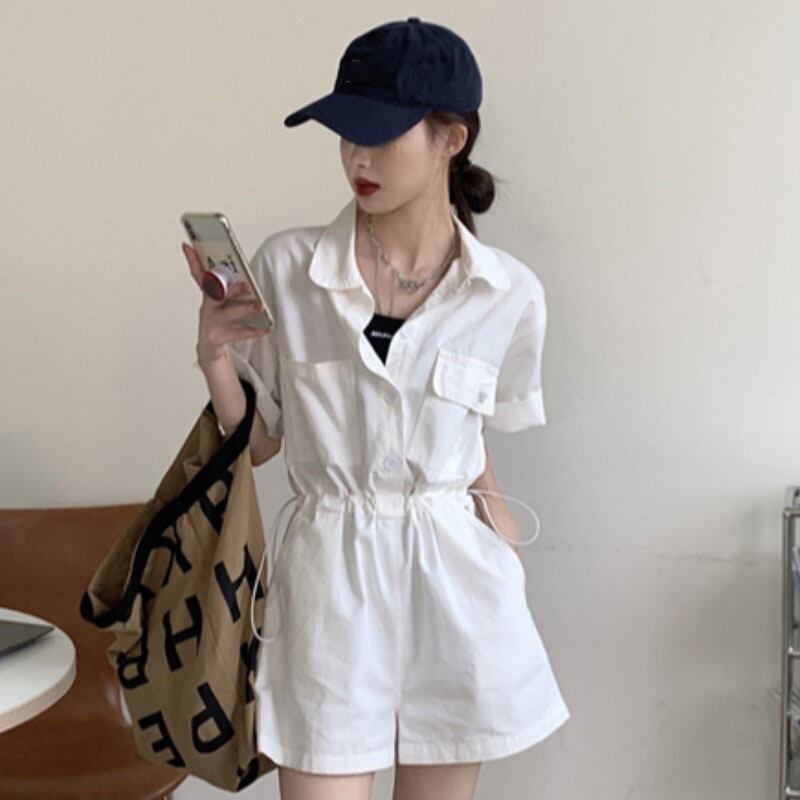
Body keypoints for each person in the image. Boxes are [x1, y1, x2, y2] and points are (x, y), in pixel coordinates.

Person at [183, 16, 570, 800]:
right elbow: (258, 444)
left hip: (455, 585)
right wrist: (215, 356)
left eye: (381, 134)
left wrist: (498, 529)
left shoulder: (508, 295)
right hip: (329, 583)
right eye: (345, 134)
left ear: (452, 138)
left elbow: (466, 431)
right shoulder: (290, 268)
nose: (357, 157)